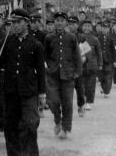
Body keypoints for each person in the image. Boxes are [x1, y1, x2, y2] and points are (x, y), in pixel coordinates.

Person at [0, 9, 46, 156]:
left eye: (19, 22)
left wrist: (42, 93)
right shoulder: (7, 42)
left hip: (29, 92)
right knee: (10, 126)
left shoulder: (36, 45)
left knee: (30, 124)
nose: (15, 25)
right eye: (13, 23)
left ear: (27, 23)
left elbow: (41, 71)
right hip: (10, 91)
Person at [43, 11, 82, 139]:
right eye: (57, 20)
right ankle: (57, 119)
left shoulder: (71, 37)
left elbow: (77, 56)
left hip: (68, 75)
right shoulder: (49, 38)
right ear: (54, 22)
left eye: (62, 20)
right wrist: (47, 67)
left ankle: (65, 128)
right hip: (53, 74)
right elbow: (46, 55)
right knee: (52, 101)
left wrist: (77, 72)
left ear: (66, 22)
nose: (59, 23)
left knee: (67, 103)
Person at [78, 19, 102, 112]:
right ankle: (83, 99)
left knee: (91, 85)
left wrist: (100, 63)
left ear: (91, 28)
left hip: (92, 66)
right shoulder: (78, 38)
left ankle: (89, 102)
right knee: (82, 85)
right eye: (85, 26)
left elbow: (99, 53)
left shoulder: (95, 39)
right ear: (82, 27)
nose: (86, 28)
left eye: (88, 26)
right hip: (81, 66)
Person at [96, 21, 115, 98]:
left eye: (106, 28)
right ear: (101, 29)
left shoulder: (111, 38)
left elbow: (114, 51)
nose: (105, 30)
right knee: (101, 76)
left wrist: (114, 61)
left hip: (108, 60)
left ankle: (107, 91)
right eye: (103, 28)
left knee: (108, 76)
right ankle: (103, 87)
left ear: (108, 29)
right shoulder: (98, 38)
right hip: (100, 60)